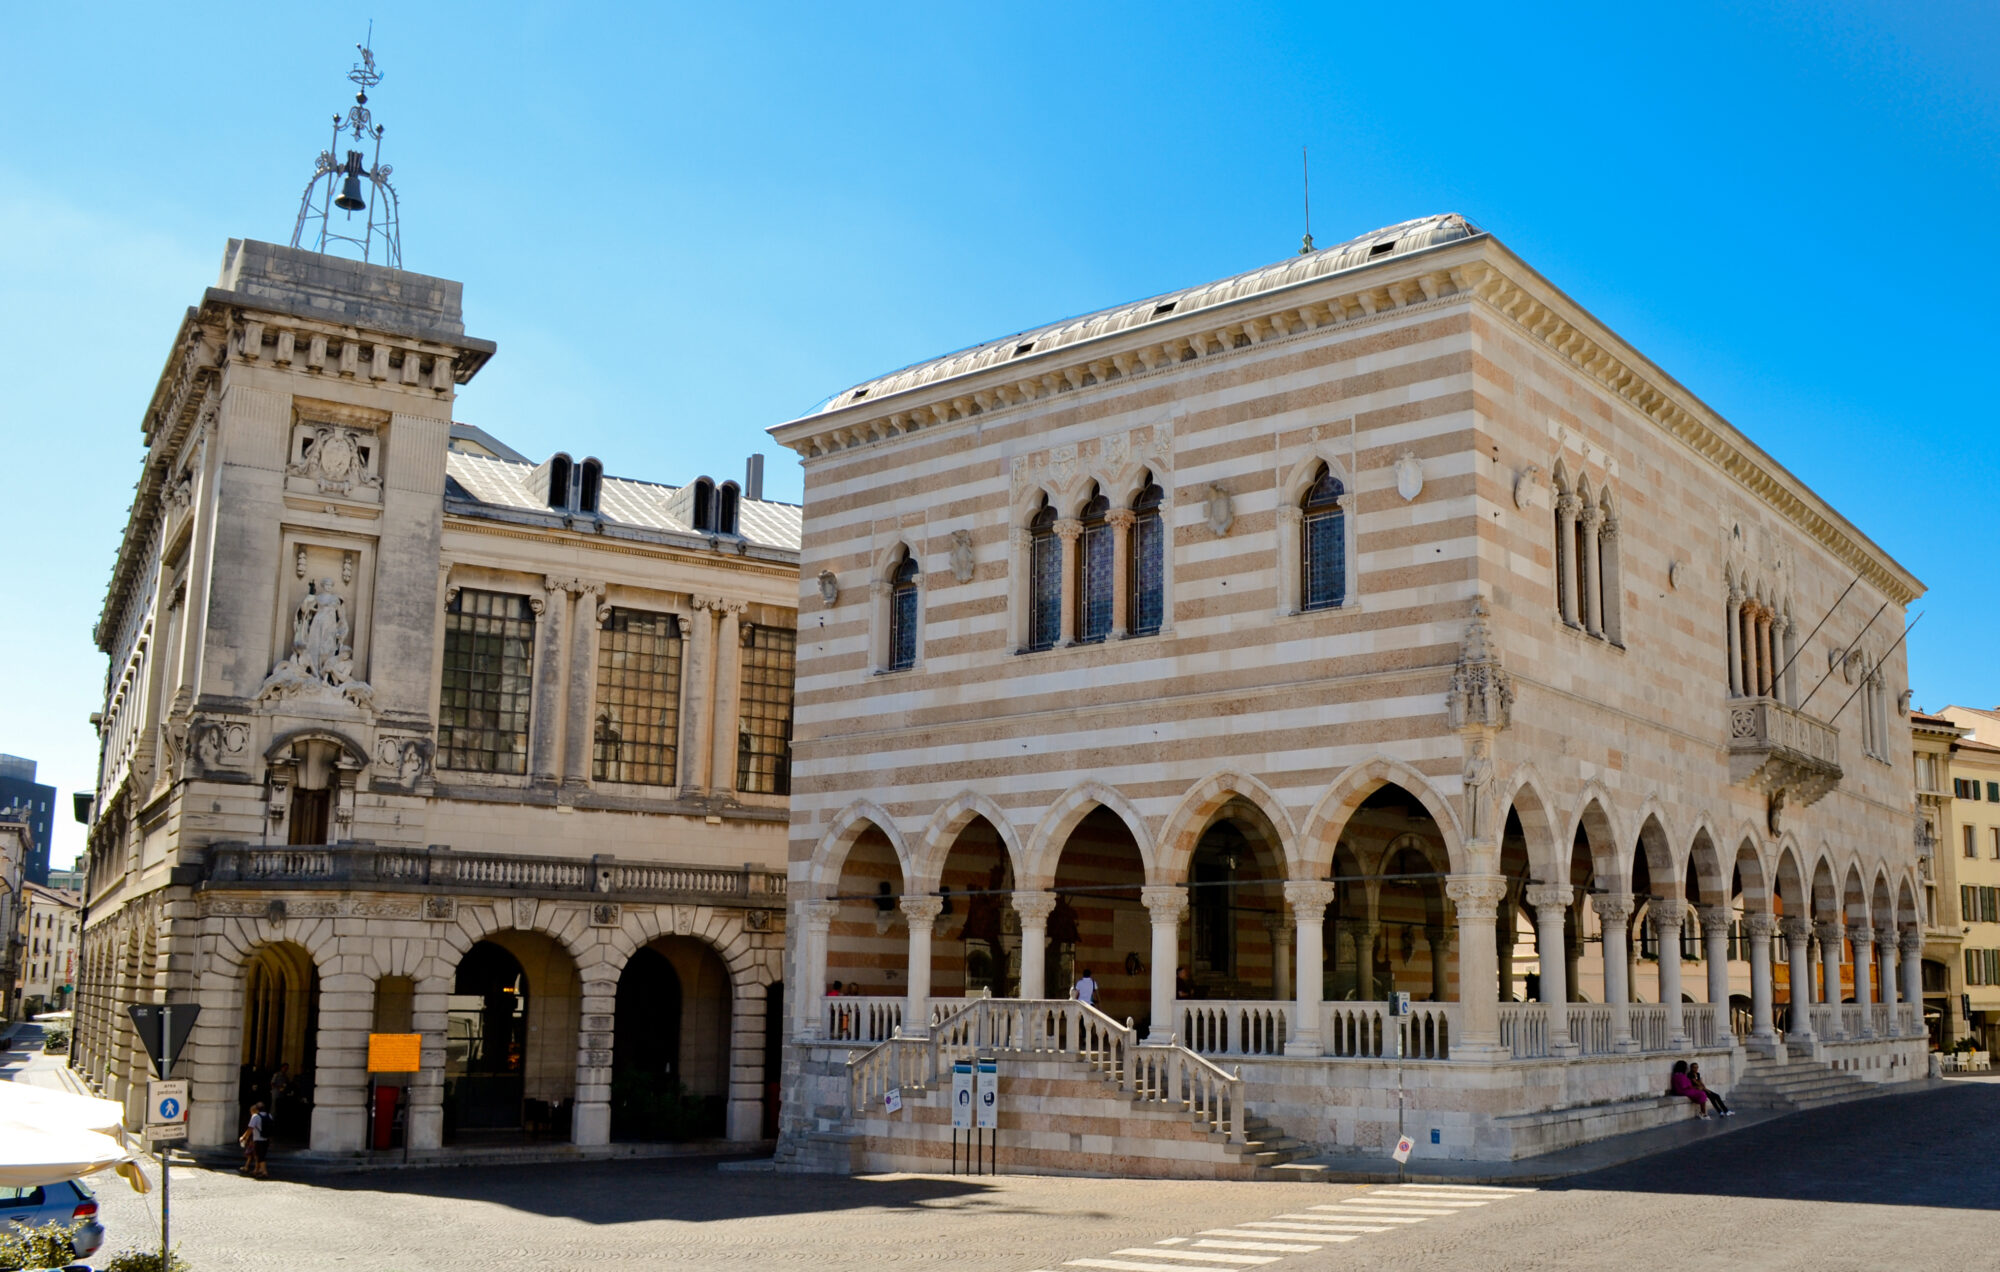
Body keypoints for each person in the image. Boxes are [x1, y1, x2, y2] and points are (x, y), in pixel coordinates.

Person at [241, 1102, 273, 1177]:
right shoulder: (269, 1115)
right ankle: (257, 1170)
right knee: (262, 1155)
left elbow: (250, 1128)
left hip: (258, 1139)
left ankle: (264, 1172)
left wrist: (244, 1137)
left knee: (260, 1156)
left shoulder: (255, 1116)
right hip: (266, 1139)